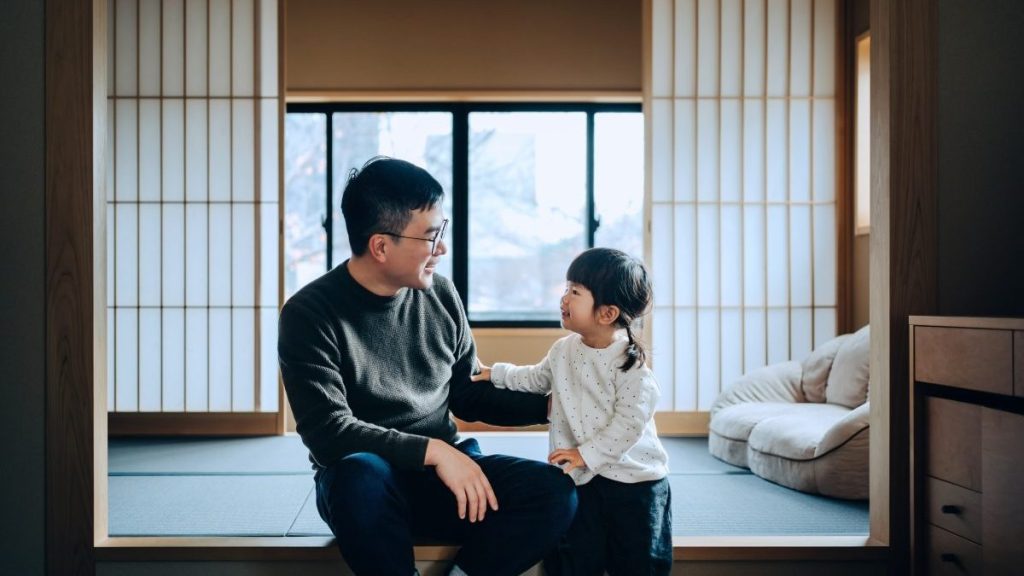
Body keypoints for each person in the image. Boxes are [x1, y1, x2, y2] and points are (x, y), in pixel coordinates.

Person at [278, 157, 577, 576]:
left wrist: (551, 407)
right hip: (368, 489)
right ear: (381, 246)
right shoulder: (309, 313)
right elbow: (329, 433)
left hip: (445, 477)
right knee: (356, 475)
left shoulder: (440, 294)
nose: (442, 248)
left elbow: (468, 393)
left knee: (554, 492)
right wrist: (432, 451)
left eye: (443, 232)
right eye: (431, 236)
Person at [473, 247, 673, 576]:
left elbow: (628, 425)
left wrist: (584, 454)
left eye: (575, 292)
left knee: (640, 560)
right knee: (575, 556)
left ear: (607, 313)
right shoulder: (564, 349)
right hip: (583, 479)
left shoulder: (630, 366)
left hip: (636, 482)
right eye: (566, 288)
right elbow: (536, 378)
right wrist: (495, 372)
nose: (564, 298)